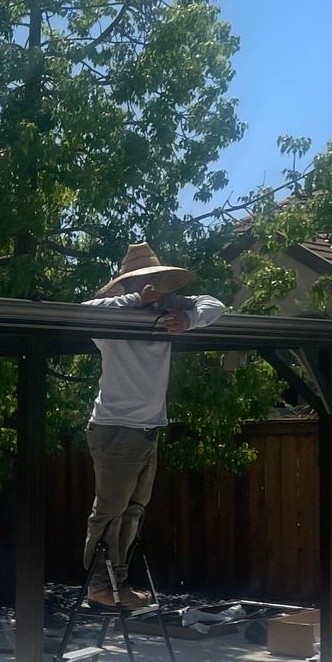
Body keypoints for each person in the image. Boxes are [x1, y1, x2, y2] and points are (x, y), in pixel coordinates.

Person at [81, 242, 224, 611]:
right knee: (110, 509)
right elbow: (83, 311)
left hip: (146, 428)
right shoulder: (113, 317)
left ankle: (117, 582)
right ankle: (101, 585)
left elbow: (215, 304)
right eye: (146, 282)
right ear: (129, 285)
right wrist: (136, 303)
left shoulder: (169, 313)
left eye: (157, 282)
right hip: (116, 426)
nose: (155, 288)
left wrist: (189, 318)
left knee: (134, 509)